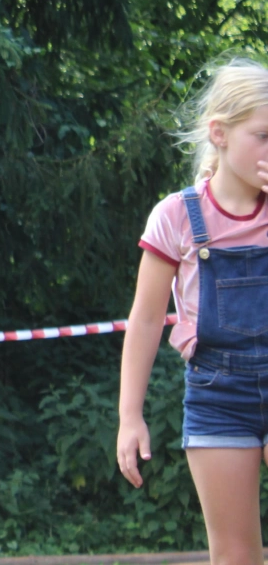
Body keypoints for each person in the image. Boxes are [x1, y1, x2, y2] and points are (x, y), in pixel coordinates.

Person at [119, 60, 268, 564]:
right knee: (235, 557)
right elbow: (144, 319)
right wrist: (128, 415)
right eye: (264, 136)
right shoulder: (176, 216)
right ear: (219, 134)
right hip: (217, 395)